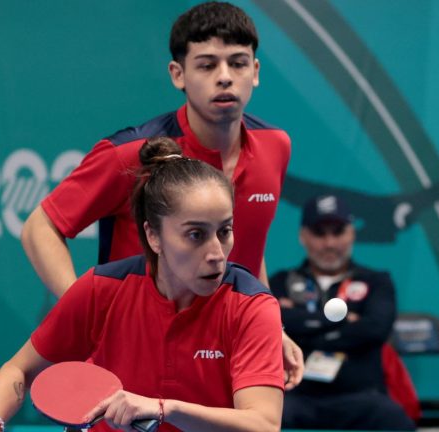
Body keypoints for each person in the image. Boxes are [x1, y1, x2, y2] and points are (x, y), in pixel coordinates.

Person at [19, 1, 303, 387]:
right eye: (206, 65)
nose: (224, 77)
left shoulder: (276, 146)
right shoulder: (132, 152)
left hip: (221, 350)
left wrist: (272, 326)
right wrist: (87, 309)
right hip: (134, 354)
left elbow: (250, 245)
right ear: (178, 74)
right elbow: (41, 227)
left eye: (237, 63)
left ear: (255, 72)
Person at [0, 138, 284, 432]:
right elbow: (17, 371)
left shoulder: (251, 306)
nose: (217, 253)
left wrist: (164, 409)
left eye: (224, 231)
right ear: (153, 236)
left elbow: (263, 424)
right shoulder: (102, 289)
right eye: (196, 235)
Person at [269, 195, 416, 431]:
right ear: (303, 236)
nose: (329, 243)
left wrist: (301, 324)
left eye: (338, 232)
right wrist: (342, 322)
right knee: (260, 416)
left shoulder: (377, 282)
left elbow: (375, 330)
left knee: (394, 418)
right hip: (297, 395)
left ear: (352, 234)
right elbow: (271, 326)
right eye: (319, 233)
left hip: (360, 397)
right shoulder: (280, 282)